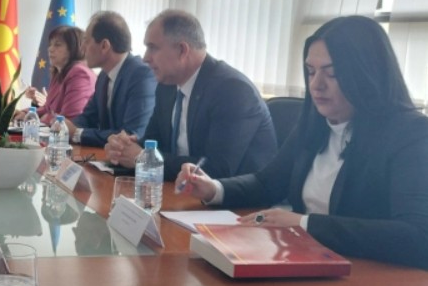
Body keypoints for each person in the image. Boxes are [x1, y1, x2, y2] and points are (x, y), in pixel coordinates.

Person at [179, 15, 428, 270]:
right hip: (305, 263)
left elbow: (418, 236)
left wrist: (303, 224)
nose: (316, 85)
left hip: (370, 278)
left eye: (332, 73)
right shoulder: (316, 122)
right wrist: (214, 189)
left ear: (367, 74)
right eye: (311, 72)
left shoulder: (411, 134)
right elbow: (268, 183)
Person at [106, 9, 277, 180]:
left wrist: (143, 159)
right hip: (180, 190)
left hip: (236, 196)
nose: (145, 58)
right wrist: (124, 148)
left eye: (153, 48)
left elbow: (217, 169)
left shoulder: (233, 91)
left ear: (182, 50)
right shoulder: (167, 86)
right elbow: (153, 142)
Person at [67, 11, 156, 147]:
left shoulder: (141, 75)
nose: (82, 47)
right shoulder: (104, 76)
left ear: (104, 46)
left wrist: (78, 133)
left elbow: (130, 134)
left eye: (86, 41)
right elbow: (88, 117)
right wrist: (64, 127)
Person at [18, 25, 96, 125]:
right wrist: (26, 113)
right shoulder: (58, 72)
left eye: (57, 45)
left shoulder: (80, 73)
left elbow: (71, 119)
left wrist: (44, 118)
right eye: (50, 44)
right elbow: (47, 108)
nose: (50, 49)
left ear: (73, 48)